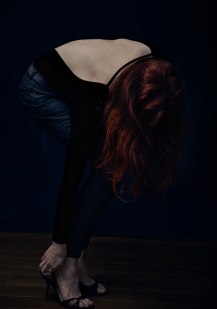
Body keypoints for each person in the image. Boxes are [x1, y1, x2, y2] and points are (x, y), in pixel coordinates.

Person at [18, 38, 186, 308]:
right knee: (106, 162)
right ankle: (68, 269)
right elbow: (72, 173)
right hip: (40, 88)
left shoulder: (161, 71)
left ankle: (76, 261)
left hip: (96, 82)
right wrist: (59, 242)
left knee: (116, 163)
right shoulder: (92, 96)